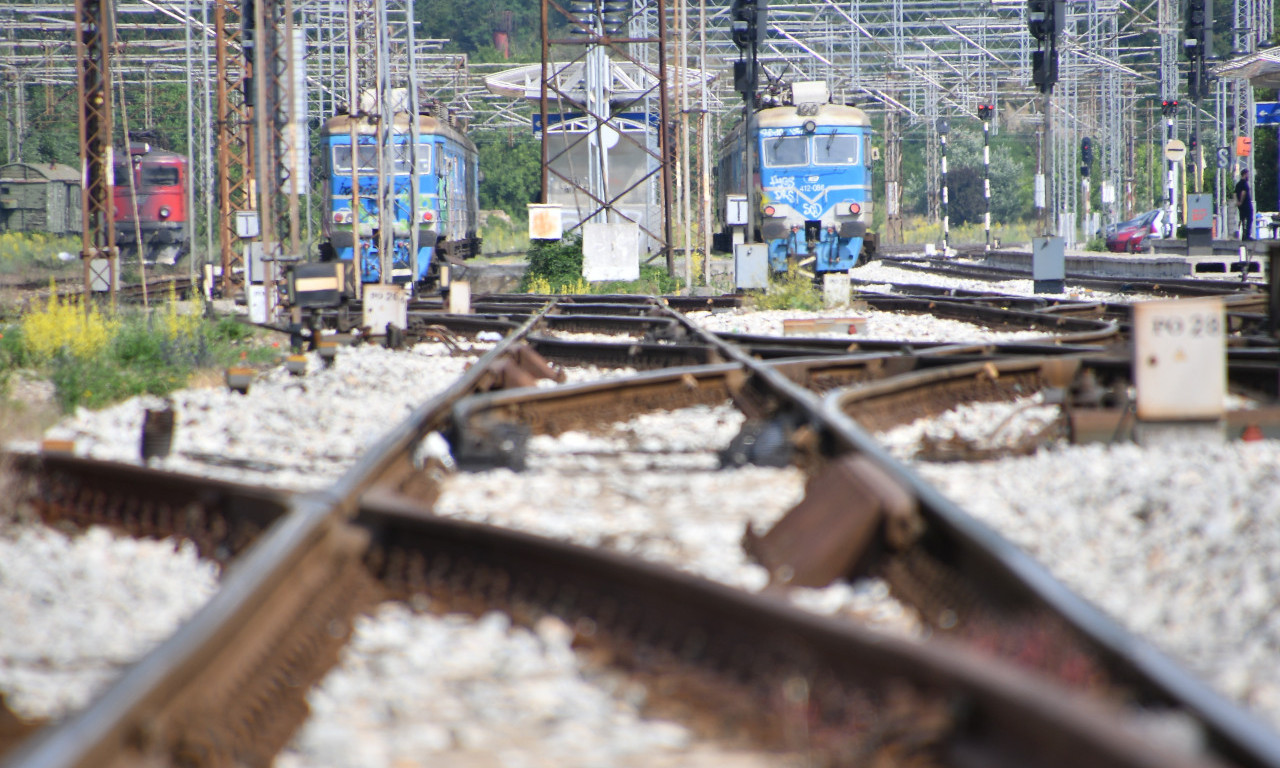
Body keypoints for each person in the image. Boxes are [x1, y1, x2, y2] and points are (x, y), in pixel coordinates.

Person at [1235, 168, 1254, 241]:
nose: (1248, 176)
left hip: (1241, 206)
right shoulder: (1244, 183)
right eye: (1247, 174)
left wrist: (1237, 202)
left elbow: (1235, 194)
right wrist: (1241, 201)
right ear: (1245, 174)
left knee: (1242, 219)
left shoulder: (1238, 184)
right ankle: (1247, 235)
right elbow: (1243, 193)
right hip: (1246, 204)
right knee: (1249, 219)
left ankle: (1243, 235)